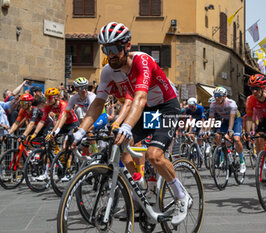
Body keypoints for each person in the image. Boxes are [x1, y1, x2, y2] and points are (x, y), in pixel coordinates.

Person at [71, 22, 190, 225]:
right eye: (106, 49)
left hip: (168, 107)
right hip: (149, 110)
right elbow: (98, 103)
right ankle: (140, 189)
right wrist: (80, 132)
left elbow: (139, 98)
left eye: (115, 48)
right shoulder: (108, 71)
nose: (111, 54)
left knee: (154, 154)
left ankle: (181, 196)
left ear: (127, 46)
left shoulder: (143, 61)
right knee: (120, 145)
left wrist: (126, 126)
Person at [205, 87, 245, 173]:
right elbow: (211, 119)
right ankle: (223, 159)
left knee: (236, 139)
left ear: (224, 96)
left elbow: (232, 117)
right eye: (215, 95)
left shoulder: (231, 103)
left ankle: (242, 161)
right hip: (225, 121)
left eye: (219, 95)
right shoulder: (213, 105)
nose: (216, 97)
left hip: (235, 120)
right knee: (218, 136)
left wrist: (230, 130)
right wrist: (208, 130)